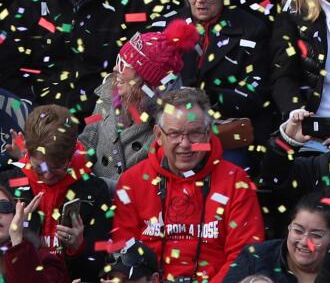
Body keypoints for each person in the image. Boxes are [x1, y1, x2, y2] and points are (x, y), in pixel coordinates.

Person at [110, 87, 264, 280]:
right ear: (158, 135)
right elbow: (124, 252)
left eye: (195, 133)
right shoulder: (132, 181)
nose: (185, 144)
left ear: (208, 133)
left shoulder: (236, 181)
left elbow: (245, 255)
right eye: (174, 134)